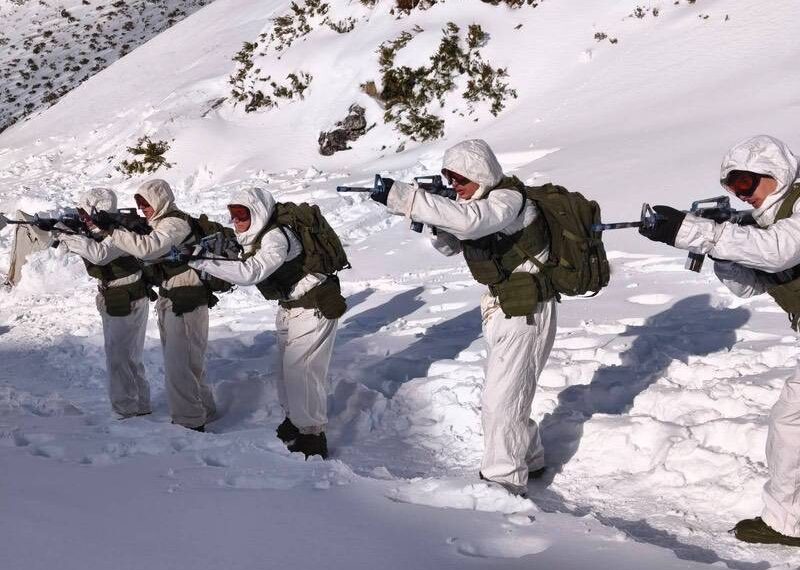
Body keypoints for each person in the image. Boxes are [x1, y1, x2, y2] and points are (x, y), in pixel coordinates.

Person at [640, 134, 800, 546]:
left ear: (775, 173)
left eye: (744, 182)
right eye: (731, 186)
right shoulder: (760, 226)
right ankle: (787, 520)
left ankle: (787, 521)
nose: (739, 194)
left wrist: (701, 233)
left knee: (791, 421)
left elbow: (780, 251)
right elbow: (750, 286)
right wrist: (723, 254)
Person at [374, 139, 557, 496]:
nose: (454, 185)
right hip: (503, 308)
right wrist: (435, 221)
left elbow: (473, 222)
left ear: (481, 174)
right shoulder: (478, 204)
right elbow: (450, 246)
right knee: (508, 393)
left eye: (460, 179)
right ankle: (530, 457)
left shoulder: (508, 200)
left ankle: (503, 483)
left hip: (527, 311)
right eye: (449, 179)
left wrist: (408, 199)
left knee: (501, 399)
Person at [188, 188, 344, 459]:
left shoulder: (275, 237)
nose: (236, 221)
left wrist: (202, 261)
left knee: (302, 372)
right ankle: (295, 420)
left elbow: (252, 272)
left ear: (258, 212)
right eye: (233, 214)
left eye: (242, 214)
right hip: (290, 307)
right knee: (285, 371)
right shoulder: (255, 237)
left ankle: (312, 435)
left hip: (313, 305)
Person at [101, 179, 216, 432]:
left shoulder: (175, 224)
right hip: (173, 294)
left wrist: (113, 231)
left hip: (186, 296)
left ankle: (190, 422)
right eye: (139, 204)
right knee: (187, 362)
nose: (143, 209)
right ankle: (205, 411)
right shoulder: (159, 223)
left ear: (160, 200)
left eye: (146, 203)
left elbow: (148, 249)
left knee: (180, 365)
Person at [58, 188, 152, 418]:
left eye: (85, 213)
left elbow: (99, 255)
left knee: (120, 357)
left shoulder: (121, 230)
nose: (83, 217)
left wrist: (67, 236)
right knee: (127, 355)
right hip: (118, 295)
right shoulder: (102, 229)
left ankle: (125, 410)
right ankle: (140, 405)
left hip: (126, 297)